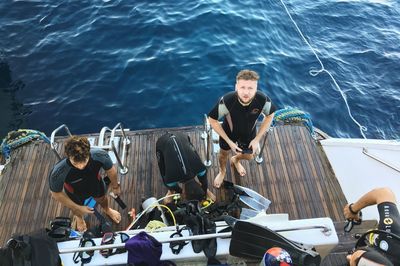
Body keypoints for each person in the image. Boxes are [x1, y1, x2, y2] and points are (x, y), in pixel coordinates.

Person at [208, 69, 276, 188]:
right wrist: (229, 141)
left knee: (249, 156)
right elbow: (212, 120)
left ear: (256, 88)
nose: (246, 92)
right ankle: (222, 171)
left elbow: (270, 116)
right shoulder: (227, 101)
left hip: (249, 134)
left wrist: (256, 140)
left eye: (250, 88)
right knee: (223, 154)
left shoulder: (262, 100)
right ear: (236, 87)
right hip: (229, 134)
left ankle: (236, 160)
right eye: (242, 87)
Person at [48, 136, 122, 232]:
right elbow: (56, 193)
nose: (81, 166)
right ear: (67, 155)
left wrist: (115, 186)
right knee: (75, 208)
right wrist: (78, 207)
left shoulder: (100, 155)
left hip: (95, 184)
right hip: (74, 192)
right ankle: (79, 218)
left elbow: (111, 170)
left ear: (88, 151)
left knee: (102, 198)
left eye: (84, 161)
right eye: (76, 162)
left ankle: (107, 209)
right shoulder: (58, 172)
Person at [344, 187, 399, 266]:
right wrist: (352, 210)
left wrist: (355, 258)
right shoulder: (392, 235)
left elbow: (358, 257)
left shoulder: (392, 239)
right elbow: (383, 193)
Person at [156, 132, 216, 203]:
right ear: (199, 184)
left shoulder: (201, 169)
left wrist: (205, 191)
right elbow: (163, 172)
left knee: (193, 153)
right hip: (162, 142)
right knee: (163, 169)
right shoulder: (170, 181)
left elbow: (204, 182)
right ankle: (171, 192)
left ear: (199, 184)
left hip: (181, 135)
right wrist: (177, 190)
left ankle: (172, 191)